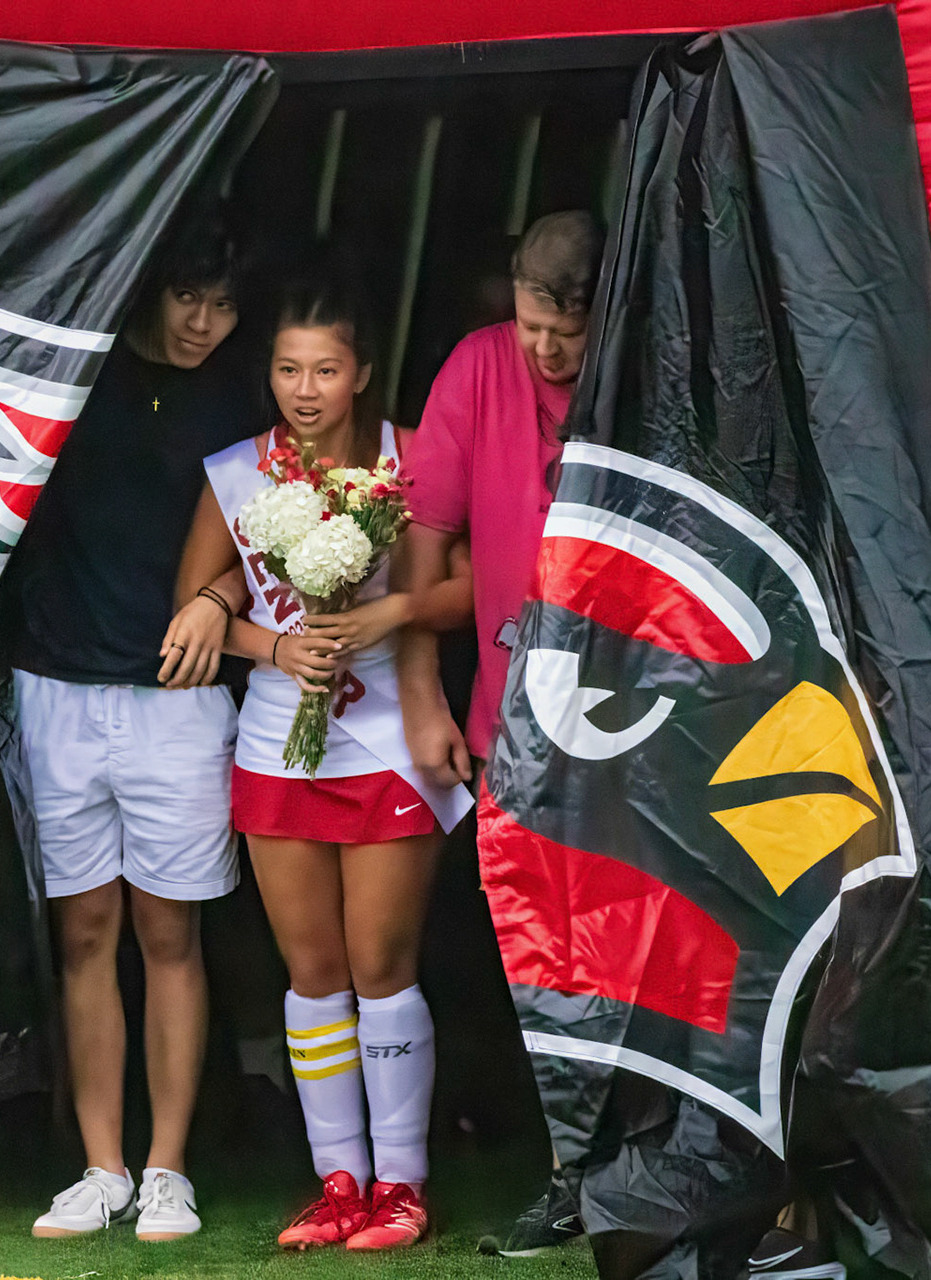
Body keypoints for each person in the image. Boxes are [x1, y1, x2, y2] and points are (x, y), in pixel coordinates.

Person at [172, 273, 474, 1251]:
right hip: (277, 745)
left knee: (381, 965)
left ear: (364, 373)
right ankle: (337, 1182)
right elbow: (194, 607)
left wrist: (387, 613)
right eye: (288, 369)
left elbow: (472, 585)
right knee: (312, 972)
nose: (305, 390)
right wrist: (274, 646)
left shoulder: (413, 459)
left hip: (388, 738)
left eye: (326, 370)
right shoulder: (239, 470)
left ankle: (403, 1187)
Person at [0, 214, 261, 1242]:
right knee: (85, 933)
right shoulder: (75, 368)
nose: (204, 322)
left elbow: (273, 543)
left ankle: (166, 1170)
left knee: (170, 933)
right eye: (190, 297)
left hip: (179, 699)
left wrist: (219, 600)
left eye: (224, 305)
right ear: (150, 285)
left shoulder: (239, 395)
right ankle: (99, 1167)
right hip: (55, 685)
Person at [395, 209, 604, 1258]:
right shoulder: (479, 367)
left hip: (635, 725)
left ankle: (644, 1168)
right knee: (538, 958)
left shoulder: (643, 361)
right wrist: (422, 696)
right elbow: (421, 547)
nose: (547, 352)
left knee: (631, 952)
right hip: (509, 724)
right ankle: (570, 1174)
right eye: (533, 329)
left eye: (567, 333)